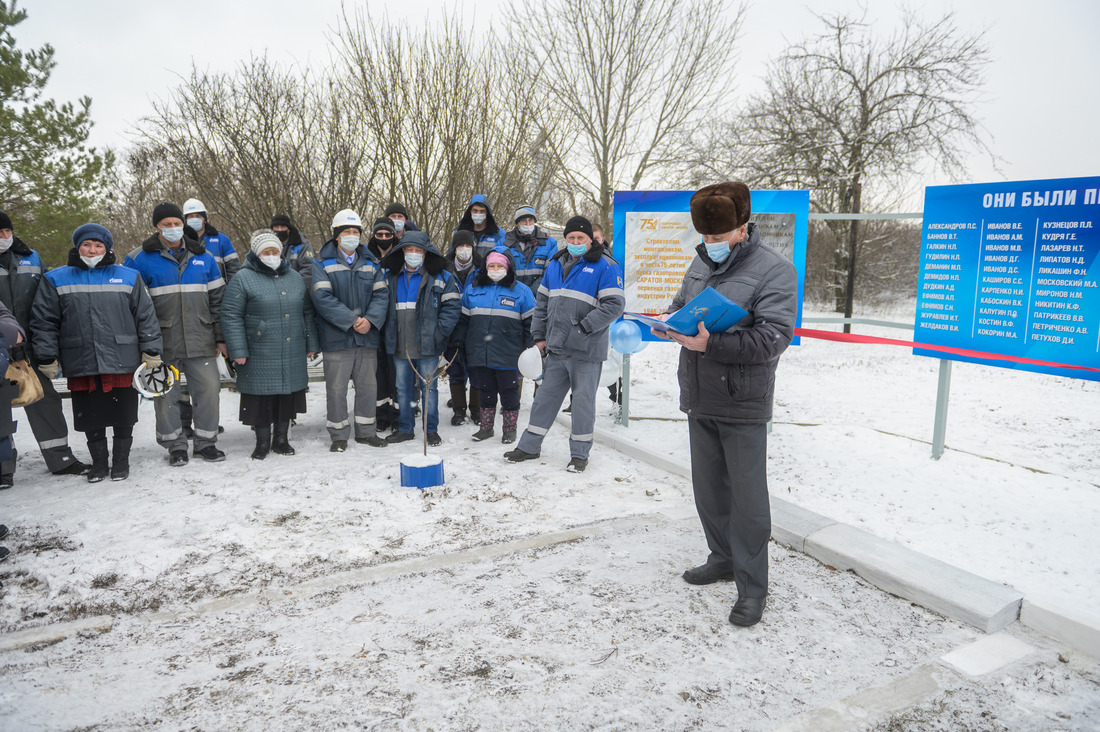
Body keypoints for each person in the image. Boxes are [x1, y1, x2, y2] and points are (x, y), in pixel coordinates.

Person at [654, 182, 798, 628]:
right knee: (709, 490)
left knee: (748, 501)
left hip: (743, 399)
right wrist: (667, 323)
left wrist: (709, 343)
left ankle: (752, 588)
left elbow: (774, 337)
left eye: (718, 238)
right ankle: (721, 558)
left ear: (742, 227)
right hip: (701, 396)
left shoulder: (775, 270)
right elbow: (682, 305)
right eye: (706, 238)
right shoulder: (699, 263)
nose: (710, 246)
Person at [30, 224, 162, 482]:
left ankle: (121, 463)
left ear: (107, 248)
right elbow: (44, 320)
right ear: (77, 247)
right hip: (81, 358)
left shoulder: (128, 276)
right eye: (87, 245)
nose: (93, 250)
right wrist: (46, 355)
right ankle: (100, 464)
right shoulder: (55, 278)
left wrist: (151, 351)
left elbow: (146, 317)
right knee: (90, 416)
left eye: (99, 245)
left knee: (124, 414)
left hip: (121, 359)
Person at [505, 215, 624, 472]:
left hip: (587, 350)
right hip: (557, 348)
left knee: (582, 404)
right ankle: (528, 447)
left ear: (590, 239)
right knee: (544, 400)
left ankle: (579, 455)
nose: (575, 241)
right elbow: (542, 305)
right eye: (571, 238)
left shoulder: (606, 266)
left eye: (580, 238)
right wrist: (539, 337)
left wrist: (584, 327)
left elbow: (615, 305)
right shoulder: (555, 264)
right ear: (566, 239)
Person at [125, 202, 227, 466]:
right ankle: (175, 446)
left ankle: (206, 443)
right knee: (165, 397)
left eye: (176, 223)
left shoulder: (203, 256)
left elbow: (218, 300)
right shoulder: (138, 259)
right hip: (161, 343)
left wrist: (220, 336)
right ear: (157, 227)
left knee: (208, 392)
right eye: (166, 224)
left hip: (201, 337)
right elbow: (134, 307)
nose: (173, 228)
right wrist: (145, 344)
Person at [0, 210, 88, 481]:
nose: (4, 237)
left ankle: (60, 458)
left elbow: (47, 300)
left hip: (32, 346)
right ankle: (3, 468)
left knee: (45, 401)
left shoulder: (32, 257)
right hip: (0, 349)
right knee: (1, 407)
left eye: (6, 231)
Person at [222, 230, 319, 459]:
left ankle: (281, 440)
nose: (271, 255)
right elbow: (230, 315)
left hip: (292, 348)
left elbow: (307, 311)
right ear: (257, 254)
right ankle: (262, 442)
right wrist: (238, 350)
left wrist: (311, 343)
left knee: (287, 395)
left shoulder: (294, 277)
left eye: (275, 251)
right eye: (266, 252)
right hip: (259, 350)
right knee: (261, 397)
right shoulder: (243, 278)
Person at [310, 210, 389, 452]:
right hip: (337, 338)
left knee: (368, 387)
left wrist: (371, 320)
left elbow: (381, 295)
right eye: (347, 232)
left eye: (356, 232)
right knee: (336, 390)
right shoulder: (322, 263)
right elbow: (321, 298)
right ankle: (339, 435)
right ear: (337, 236)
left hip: (367, 337)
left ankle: (366, 431)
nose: (352, 236)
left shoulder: (371, 263)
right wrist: (352, 320)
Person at [380, 230, 461, 445]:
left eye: (418, 251)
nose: (413, 254)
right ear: (402, 251)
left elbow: (452, 308)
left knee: (429, 389)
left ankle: (431, 430)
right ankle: (405, 428)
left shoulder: (442, 277)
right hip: (400, 344)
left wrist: (438, 333)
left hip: (428, 345)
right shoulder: (390, 276)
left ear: (426, 253)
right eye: (409, 250)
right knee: (403, 389)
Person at [452, 248, 535, 443]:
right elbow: (463, 321)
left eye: (499, 266)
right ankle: (486, 427)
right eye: (492, 266)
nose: (495, 269)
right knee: (485, 390)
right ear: (485, 268)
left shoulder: (522, 291)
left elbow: (531, 324)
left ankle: (509, 429)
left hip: (509, 353)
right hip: (480, 352)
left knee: (509, 392)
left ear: (507, 267)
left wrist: (529, 348)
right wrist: (459, 344)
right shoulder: (473, 289)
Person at [443, 230, 481, 426]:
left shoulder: (482, 268)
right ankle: (459, 410)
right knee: (455, 369)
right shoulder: (444, 268)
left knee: (476, 369)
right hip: (453, 324)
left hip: (476, 326)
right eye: (460, 246)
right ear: (454, 248)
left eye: (468, 246)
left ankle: (476, 409)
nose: (464, 250)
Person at [367, 218, 401, 432]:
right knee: (377, 374)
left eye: (388, 234)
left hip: (397, 322)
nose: (384, 238)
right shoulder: (366, 256)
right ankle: (381, 415)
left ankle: (398, 415)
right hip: (372, 323)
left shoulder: (402, 256)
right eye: (379, 234)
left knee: (396, 373)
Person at [500, 205, 559, 292]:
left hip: (539, 296)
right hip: (510, 295)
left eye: (530, 220)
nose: (528, 224)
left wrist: (531, 293)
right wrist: (516, 293)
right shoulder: (504, 243)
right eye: (524, 220)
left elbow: (551, 272)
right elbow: (498, 270)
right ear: (517, 223)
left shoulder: (550, 243)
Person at [183, 198, 240, 282]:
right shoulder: (180, 241)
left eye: (198, 216)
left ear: (205, 219)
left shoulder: (221, 240)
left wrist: (232, 291)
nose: (194, 219)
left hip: (219, 292)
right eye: (191, 216)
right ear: (185, 221)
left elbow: (234, 269)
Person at [270, 213, 315, 290]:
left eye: (283, 227)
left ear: (289, 229)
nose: (279, 230)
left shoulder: (302, 245)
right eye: (276, 227)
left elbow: (308, 270)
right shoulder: (265, 245)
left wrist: (293, 289)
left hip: (295, 289)